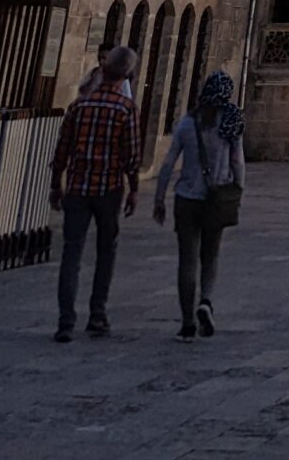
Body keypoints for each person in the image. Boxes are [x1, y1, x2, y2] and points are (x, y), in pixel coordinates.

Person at [49, 45, 140, 342]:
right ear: (126, 75)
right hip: (109, 188)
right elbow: (132, 155)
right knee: (105, 252)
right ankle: (97, 314)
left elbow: (62, 149)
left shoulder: (79, 106)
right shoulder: (126, 109)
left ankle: (66, 321)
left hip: (77, 186)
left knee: (71, 252)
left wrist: (55, 185)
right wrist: (134, 189)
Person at [153, 69, 246, 340]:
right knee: (211, 255)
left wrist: (159, 198)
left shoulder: (188, 123)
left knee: (187, 260)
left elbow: (169, 162)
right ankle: (205, 301)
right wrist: (238, 191)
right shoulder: (230, 122)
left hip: (187, 198)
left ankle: (186, 322)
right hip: (216, 199)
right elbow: (237, 162)